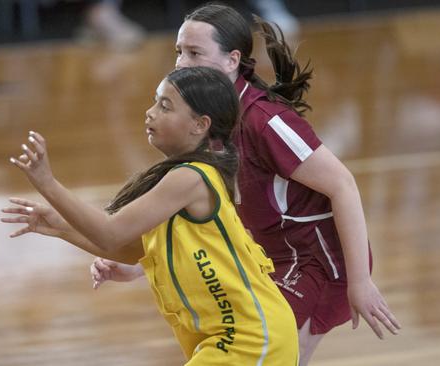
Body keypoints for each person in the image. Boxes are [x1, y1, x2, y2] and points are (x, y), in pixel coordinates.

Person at [89, 3, 401, 365]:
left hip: (317, 262)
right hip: (266, 258)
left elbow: (344, 185)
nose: (180, 64)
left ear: (232, 60)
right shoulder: (207, 121)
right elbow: (198, 220)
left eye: (194, 53)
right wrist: (141, 265)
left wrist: (359, 282)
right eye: (178, 52)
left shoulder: (265, 121)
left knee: (272, 348)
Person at [1, 66, 299, 365]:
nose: (150, 112)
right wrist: (56, 226)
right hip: (234, 336)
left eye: (165, 106)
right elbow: (125, 248)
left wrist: (48, 183)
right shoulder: (182, 178)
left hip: (251, 338)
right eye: (155, 101)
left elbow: (110, 232)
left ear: (199, 124)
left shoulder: (191, 177)